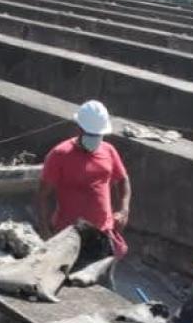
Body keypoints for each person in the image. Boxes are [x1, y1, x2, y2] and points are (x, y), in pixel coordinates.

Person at [35, 99, 131, 260]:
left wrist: (124, 209)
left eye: (98, 135)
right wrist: (44, 230)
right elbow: (42, 195)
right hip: (68, 235)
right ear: (79, 128)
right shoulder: (59, 154)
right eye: (91, 134)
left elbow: (123, 180)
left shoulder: (109, 151)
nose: (95, 139)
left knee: (101, 277)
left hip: (103, 233)